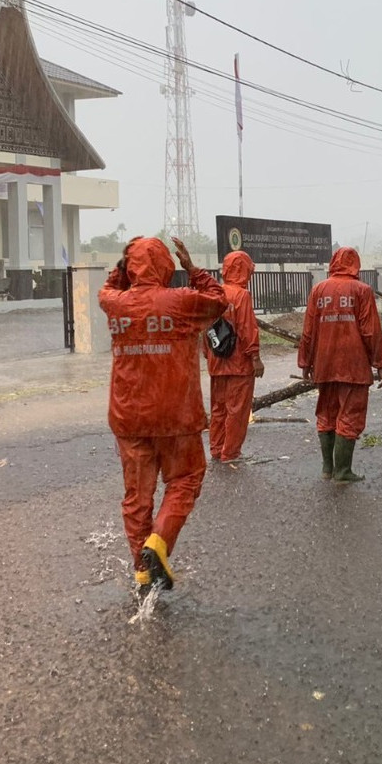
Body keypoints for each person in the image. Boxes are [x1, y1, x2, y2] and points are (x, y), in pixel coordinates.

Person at [99, 236, 228, 594]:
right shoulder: (182, 301)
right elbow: (220, 299)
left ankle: (142, 571)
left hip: (128, 415)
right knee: (186, 477)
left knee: (137, 496)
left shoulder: (115, 304)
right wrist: (193, 268)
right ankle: (159, 541)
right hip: (176, 414)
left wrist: (123, 268)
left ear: (131, 267)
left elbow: (108, 287)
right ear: (165, 265)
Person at [299, 247, 382, 483]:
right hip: (353, 365)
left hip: (324, 363)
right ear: (355, 264)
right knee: (350, 415)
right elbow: (371, 331)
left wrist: (305, 362)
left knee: (326, 413)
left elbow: (309, 330)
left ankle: (328, 468)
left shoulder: (319, 290)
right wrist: (379, 363)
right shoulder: (362, 290)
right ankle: (343, 471)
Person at [206, 250, 265, 468]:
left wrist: (209, 356)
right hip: (239, 364)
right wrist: (255, 357)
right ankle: (230, 452)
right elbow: (247, 328)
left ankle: (216, 448)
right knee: (237, 410)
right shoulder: (241, 296)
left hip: (217, 363)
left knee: (218, 408)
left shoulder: (214, 293)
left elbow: (206, 330)